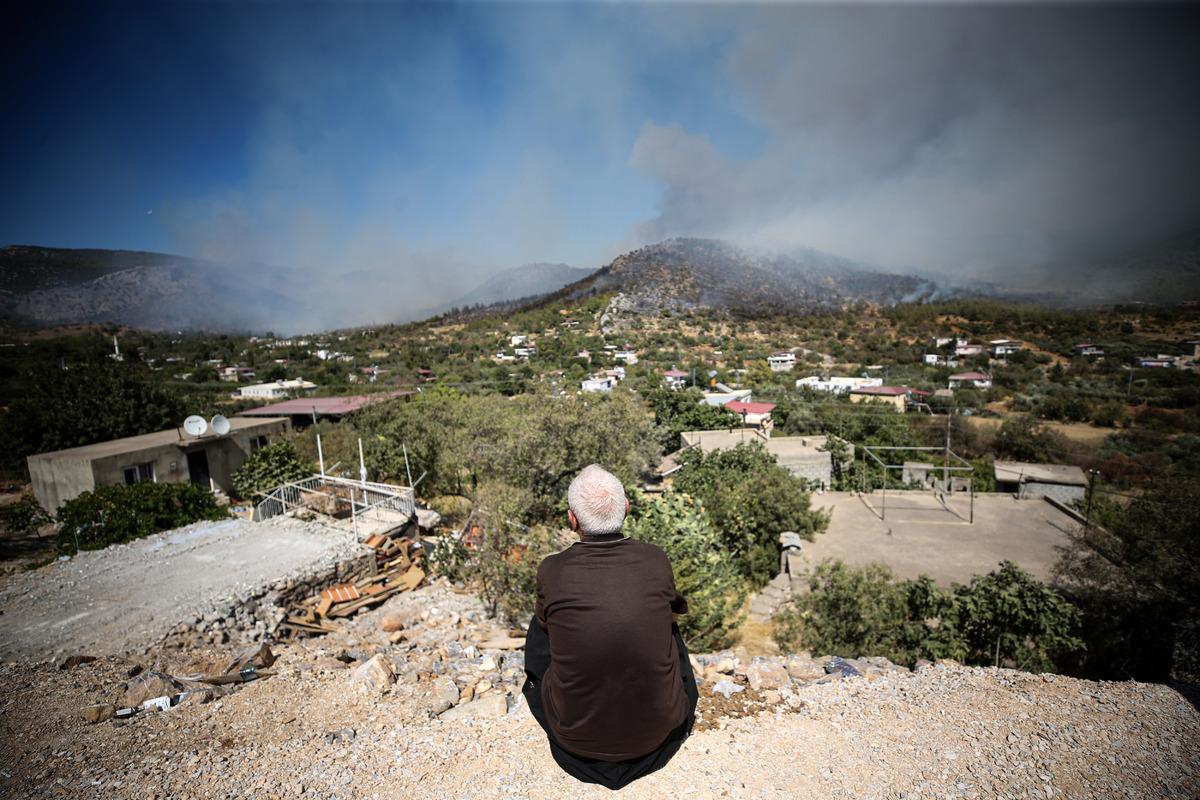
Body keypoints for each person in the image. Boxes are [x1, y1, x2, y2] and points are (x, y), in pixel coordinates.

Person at [522, 464, 699, 790]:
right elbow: (677, 611)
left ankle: (564, 699)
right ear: (627, 508)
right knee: (667, 625)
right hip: (656, 739)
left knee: (543, 624)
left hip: (574, 744)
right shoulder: (655, 559)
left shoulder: (552, 570)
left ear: (571, 519)